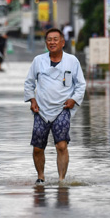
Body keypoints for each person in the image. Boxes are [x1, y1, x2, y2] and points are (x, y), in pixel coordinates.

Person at [24, 28, 86, 184]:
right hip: (41, 110)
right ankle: (41, 177)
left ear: (62, 42)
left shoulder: (72, 61)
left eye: (55, 39)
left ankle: (61, 179)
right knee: (38, 147)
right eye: (49, 40)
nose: (52, 42)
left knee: (61, 145)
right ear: (46, 43)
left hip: (62, 109)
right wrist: (32, 100)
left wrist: (74, 100)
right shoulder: (38, 61)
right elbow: (29, 83)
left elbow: (81, 85)